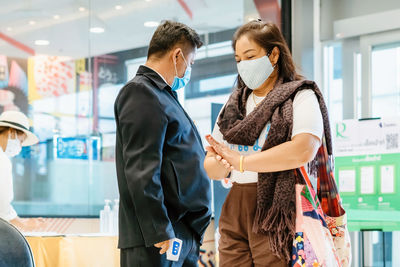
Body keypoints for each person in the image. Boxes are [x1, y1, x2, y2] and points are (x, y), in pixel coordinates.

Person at [204, 20, 333, 266]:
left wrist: (242, 162)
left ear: (273, 54)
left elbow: (303, 148)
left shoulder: (301, 96)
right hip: (235, 204)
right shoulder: (233, 105)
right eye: (238, 59)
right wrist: (221, 163)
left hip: (278, 205)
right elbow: (211, 163)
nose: (243, 65)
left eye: (250, 56)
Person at [114, 20, 212, 267]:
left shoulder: (163, 95)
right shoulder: (141, 93)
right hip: (159, 237)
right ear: (177, 55)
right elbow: (141, 169)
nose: (188, 70)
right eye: (190, 63)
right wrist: (160, 228)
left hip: (178, 230)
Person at [0, 110, 43, 231]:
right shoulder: (2, 159)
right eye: (21, 141)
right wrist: (23, 224)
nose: (19, 147)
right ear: (12, 132)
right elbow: (2, 206)